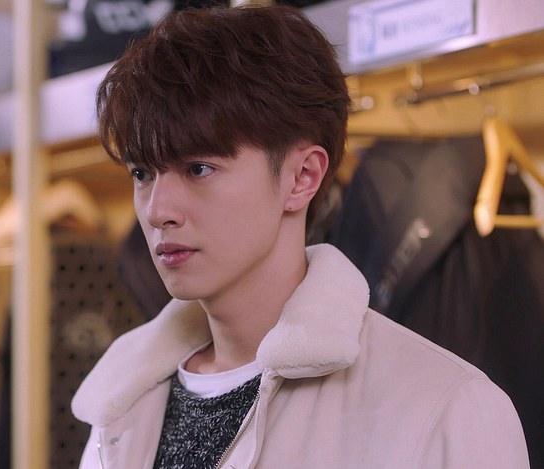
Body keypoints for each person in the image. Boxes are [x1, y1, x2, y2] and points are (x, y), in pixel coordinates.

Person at [71, 4, 530, 468]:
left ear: (302, 178)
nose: (158, 211)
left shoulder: (442, 409)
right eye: (142, 173)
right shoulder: (119, 406)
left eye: (199, 168)